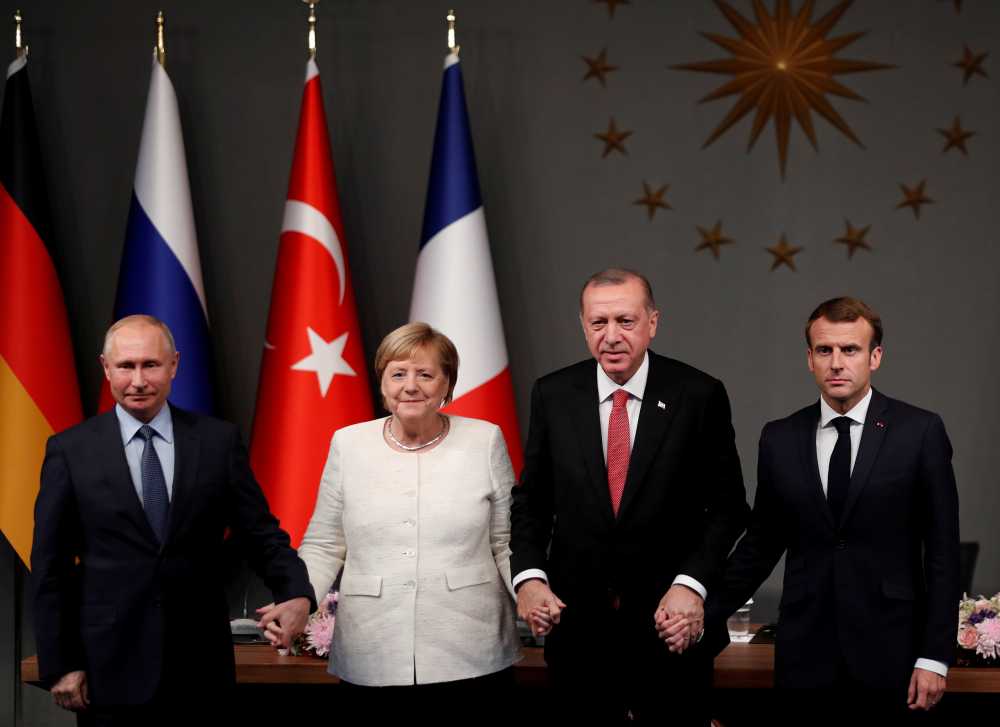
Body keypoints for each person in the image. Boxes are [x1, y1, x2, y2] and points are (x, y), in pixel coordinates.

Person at [30, 315, 315, 726]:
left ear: (175, 365)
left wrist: (296, 592)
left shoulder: (218, 442)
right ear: (106, 368)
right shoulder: (70, 451)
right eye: (126, 366)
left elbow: (261, 534)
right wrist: (61, 664)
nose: (139, 380)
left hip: (200, 667)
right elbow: (50, 568)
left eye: (151, 364)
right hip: (108, 670)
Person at [510, 268, 749, 724]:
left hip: (670, 628)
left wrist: (690, 585)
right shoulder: (554, 394)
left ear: (652, 322)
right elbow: (533, 502)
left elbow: (728, 508)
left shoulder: (698, 394)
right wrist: (530, 577)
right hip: (580, 631)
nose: (612, 336)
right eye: (599, 323)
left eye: (626, 320)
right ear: (583, 326)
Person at [707, 297, 960, 724]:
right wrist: (702, 610)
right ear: (810, 359)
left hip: (892, 655)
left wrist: (935, 656)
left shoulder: (920, 432)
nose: (837, 363)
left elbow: (942, 553)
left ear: (875, 356)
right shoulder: (780, 438)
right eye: (825, 351)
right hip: (805, 655)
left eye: (850, 349)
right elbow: (761, 545)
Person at [291, 322, 520, 717]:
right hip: (372, 650)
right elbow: (325, 543)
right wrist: (296, 598)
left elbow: (506, 542)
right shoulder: (348, 444)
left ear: (447, 384)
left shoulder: (485, 440)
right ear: (382, 383)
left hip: (472, 652)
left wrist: (532, 597)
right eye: (398, 373)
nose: (410, 386)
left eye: (426, 374)